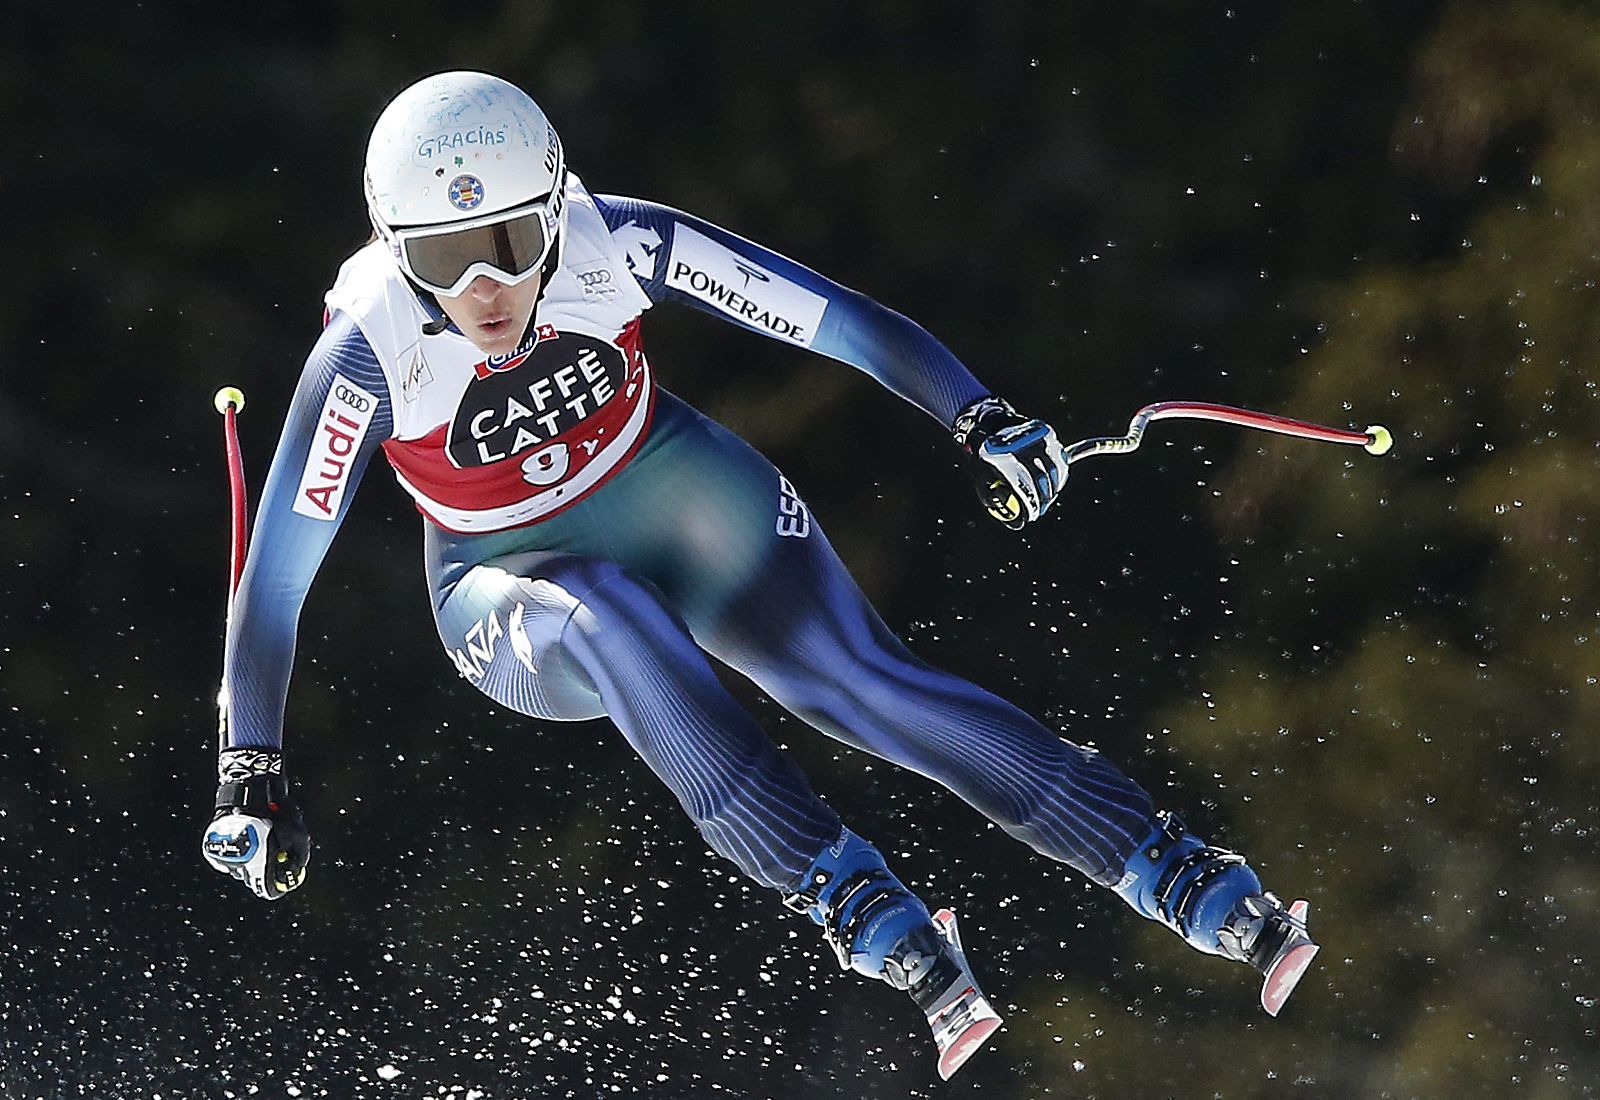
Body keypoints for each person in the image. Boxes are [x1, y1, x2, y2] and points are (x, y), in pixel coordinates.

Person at [200, 71, 1320, 1079]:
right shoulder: (362, 355)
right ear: (398, 253)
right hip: (502, 577)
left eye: (511, 242)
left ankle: (1175, 870)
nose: (486, 286)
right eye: (445, 258)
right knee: (608, 614)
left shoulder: (617, 240)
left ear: (556, 210)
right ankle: (852, 897)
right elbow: (279, 580)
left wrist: (976, 416)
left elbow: (830, 316)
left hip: (667, 483)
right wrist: (249, 763)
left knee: (862, 681)